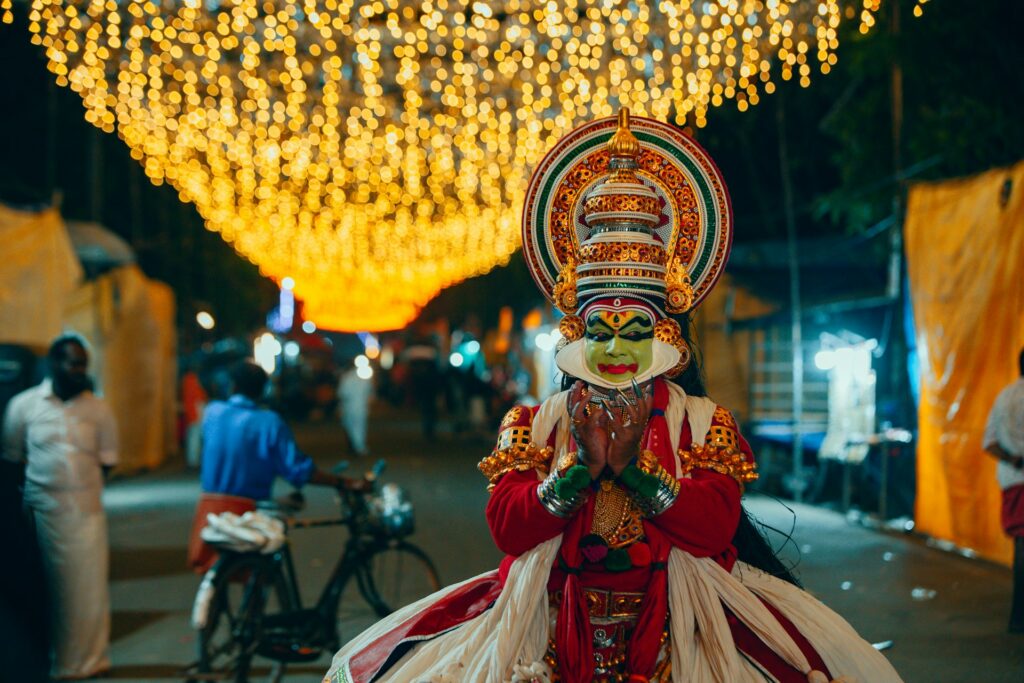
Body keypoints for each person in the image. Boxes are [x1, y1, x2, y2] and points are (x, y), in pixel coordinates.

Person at [323, 111, 901, 682]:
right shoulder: (533, 422)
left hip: (685, 628)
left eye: (635, 331)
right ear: (576, 337)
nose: (617, 347)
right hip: (545, 626)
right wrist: (579, 470)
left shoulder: (702, 422)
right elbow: (509, 529)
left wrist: (634, 469)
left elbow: (713, 528)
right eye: (601, 331)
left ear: (666, 336)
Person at [1, 333, 118, 679]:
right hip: (41, 513)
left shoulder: (99, 409)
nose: (80, 369)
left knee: (88, 593)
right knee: (50, 592)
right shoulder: (24, 406)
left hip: (86, 514)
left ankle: (91, 662)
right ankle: (52, 661)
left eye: (83, 363)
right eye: (73, 362)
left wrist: (77, 486)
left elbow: (108, 461)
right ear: (54, 364)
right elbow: (12, 457)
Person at [187, 360, 365, 573]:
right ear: (263, 390)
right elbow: (297, 470)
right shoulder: (269, 422)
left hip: (211, 512)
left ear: (232, 386)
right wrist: (343, 482)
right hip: (250, 513)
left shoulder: (213, 412)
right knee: (265, 567)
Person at [983, 346, 1024, 633]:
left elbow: (989, 443)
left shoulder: (1004, 396)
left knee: (1020, 545)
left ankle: (1017, 617)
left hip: (1012, 480)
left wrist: (1013, 459)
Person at [338, 358, 373, 457]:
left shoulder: (346, 378)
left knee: (351, 427)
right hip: (361, 407)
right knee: (360, 427)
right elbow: (369, 393)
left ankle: (358, 447)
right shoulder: (364, 379)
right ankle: (359, 447)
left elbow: (342, 393)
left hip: (349, 406)